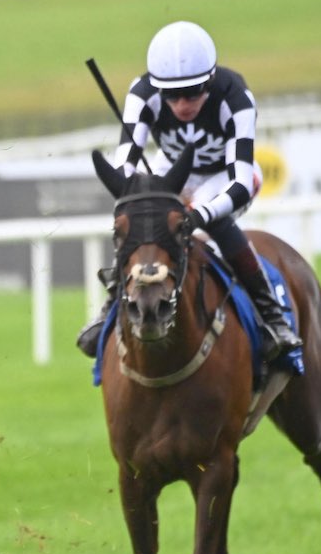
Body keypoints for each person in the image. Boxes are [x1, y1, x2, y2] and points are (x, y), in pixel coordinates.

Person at [76, 21, 302, 362]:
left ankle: (272, 316)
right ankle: (110, 307)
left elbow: (240, 181)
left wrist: (199, 213)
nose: (182, 104)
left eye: (193, 92)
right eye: (171, 95)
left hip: (228, 176)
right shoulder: (142, 93)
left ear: (209, 81)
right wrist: (132, 192)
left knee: (213, 219)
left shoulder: (235, 97)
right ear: (158, 89)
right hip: (174, 171)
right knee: (139, 220)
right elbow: (127, 161)